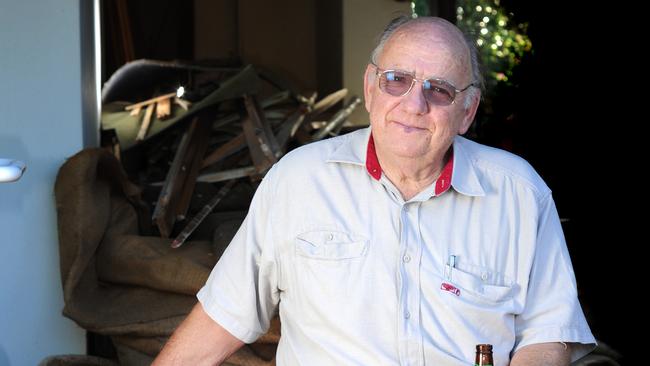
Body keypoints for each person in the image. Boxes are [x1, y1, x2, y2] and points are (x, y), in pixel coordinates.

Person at [153, 15, 596, 365]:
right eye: (396, 80)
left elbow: (547, 334)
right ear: (370, 87)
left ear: (467, 111)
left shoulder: (519, 194)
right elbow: (224, 314)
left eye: (439, 90)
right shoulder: (298, 180)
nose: (414, 104)